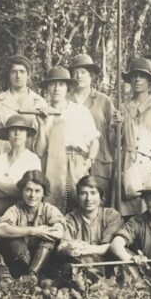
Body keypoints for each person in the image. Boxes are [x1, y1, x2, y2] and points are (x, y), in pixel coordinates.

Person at [35, 66, 100, 214]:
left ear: (68, 88)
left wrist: (89, 161)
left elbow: (94, 141)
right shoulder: (42, 112)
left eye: (61, 84)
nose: (57, 88)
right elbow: (40, 150)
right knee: (53, 203)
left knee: (80, 201)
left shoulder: (80, 111)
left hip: (77, 160)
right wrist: (41, 125)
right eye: (52, 84)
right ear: (47, 88)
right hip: (52, 161)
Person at [114, 58, 151, 217]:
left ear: (149, 81)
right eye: (134, 76)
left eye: (142, 76)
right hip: (128, 165)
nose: (137, 79)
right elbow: (115, 141)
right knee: (127, 212)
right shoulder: (122, 108)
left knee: (150, 209)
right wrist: (117, 125)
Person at [0, 170, 65, 278]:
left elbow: (59, 232)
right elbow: (0, 230)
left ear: (43, 193)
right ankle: (27, 276)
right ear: (22, 191)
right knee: (13, 238)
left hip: (45, 265)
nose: (32, 195)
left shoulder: (49, 209)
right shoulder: (15, 210)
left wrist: (45, 233)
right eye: (28, 190)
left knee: (49, 239)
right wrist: (34, 231)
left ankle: (32, 275)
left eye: (37, 191)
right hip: (19, 264)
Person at [67, 54, 116, 206]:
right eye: (75, 72)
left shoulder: (103, 101)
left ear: (92, 75)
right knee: (73, 202)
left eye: (83, 72)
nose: (78, 75)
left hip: (99, 164)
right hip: (73, 164)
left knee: (99, 205)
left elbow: (113, 136)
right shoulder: (65, 100)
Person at [0, 114, 41, 227]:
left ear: (26, 134)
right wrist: (14, 191)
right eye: (13, 130)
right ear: (8, 134)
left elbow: (28, 192)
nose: (17, 133)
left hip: (21, 211)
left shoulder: (33, 160)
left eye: (21, 130)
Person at [58, 176, 123, 265]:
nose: (88, 198)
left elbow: (112, 247)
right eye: (83, 193)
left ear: (101, 196)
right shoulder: (70, 218)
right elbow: (62, 247)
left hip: (110, 265)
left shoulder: (111, 216)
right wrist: (69, 248)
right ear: (77, 196)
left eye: (93, 193)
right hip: (82, 266)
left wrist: (88, 249)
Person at [0, 55, 47, 157]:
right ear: (9, 75)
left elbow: (43, 136)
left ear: (28, 74)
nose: (18, 76)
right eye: (14, 72)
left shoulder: (39, 102)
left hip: (29, 156)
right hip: (2, 155)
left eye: (22, 71)